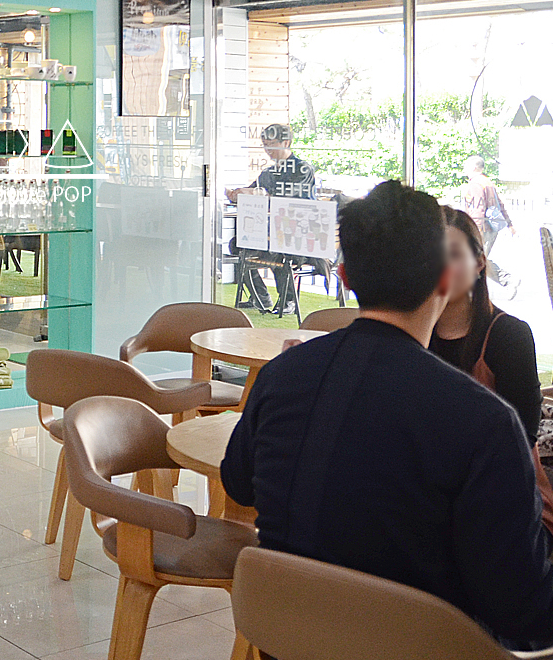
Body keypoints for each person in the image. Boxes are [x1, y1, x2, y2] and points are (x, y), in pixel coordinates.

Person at [221, 180, 553, 648]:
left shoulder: (281, 375)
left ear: (344, 277)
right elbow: (525, 614)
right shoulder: (484, 422)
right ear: (444, 280)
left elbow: (237, 483)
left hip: (286, 638)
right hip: (422, 648)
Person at [431, 207, 540, 442]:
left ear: (479, 263)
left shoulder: (510, 335)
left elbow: (523, 432)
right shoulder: (412, 333)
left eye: (453, 254)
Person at [226, 122, 317, 316]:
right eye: (265, 145)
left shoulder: (302, 169)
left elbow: (290, 200)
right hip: (270, 233)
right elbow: (253, 190)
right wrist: (236, 194)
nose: (268, 150)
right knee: (238, 245)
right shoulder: (268, 173)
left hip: (299, 236)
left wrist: (257, 193)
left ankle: (288, 300)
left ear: (286, 143)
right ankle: (259, 296)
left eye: (272, 144)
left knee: (279, 246)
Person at [460, 154, 517, 290]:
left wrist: (475, 231)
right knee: (478, 258)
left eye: (466, 166)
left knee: (475, 259)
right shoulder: (487, 182)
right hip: (491, 228)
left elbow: (477, 209)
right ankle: (505, 280)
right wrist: (509, 223)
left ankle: (507, 280)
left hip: (483, 228)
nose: (464, 169)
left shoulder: (475, 184)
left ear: (473, 167)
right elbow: (500, 204)